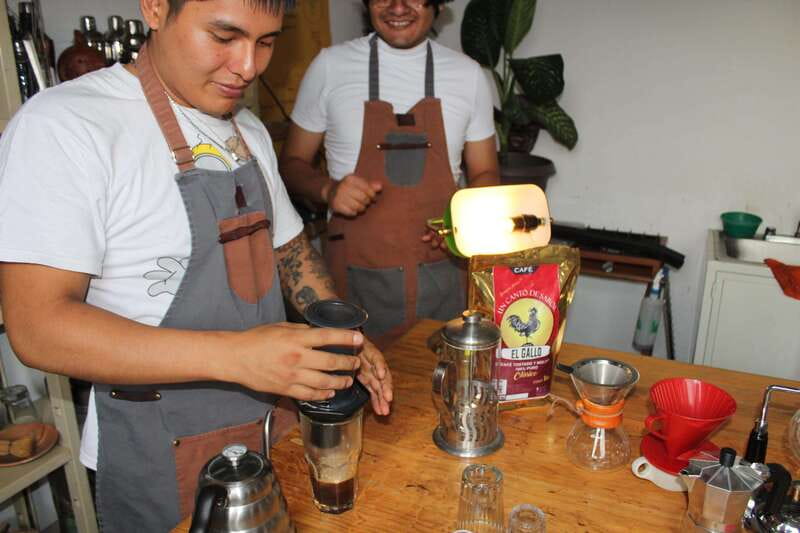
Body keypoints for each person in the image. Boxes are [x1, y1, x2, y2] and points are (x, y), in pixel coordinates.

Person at [0, 0, 392, 530]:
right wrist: (238, 357)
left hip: (269, 431)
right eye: (224, 36)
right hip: (160, 450)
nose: (249, 66)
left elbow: (289, 250)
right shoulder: (65, 127)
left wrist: (340, 335)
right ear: (156, 8)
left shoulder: (245, 128)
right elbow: (37, 328)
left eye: (267, 41)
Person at [279, 0, 500, 347]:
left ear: (439, 3)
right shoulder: (330, 66)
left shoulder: (467, 75)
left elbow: (486, 171)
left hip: (441, 277)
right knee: (354, 386)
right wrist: (328, 190)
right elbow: (290, 164)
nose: (398, 6)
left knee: (437, 383)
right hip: (354, 280)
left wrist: (462, 222)